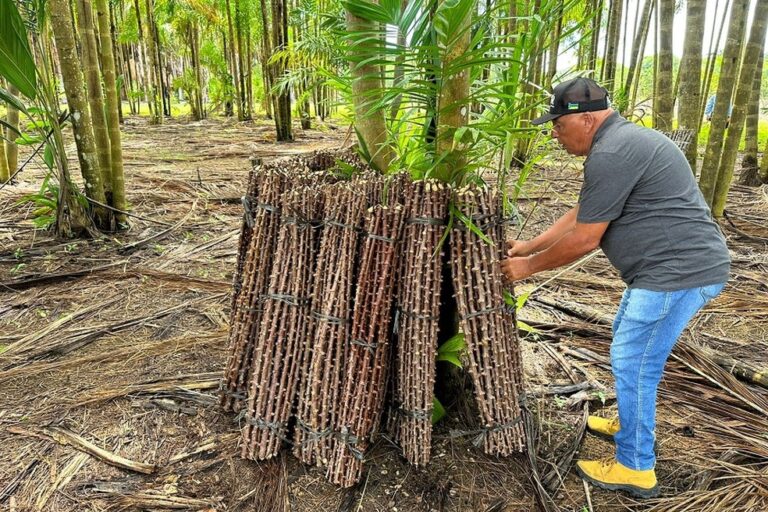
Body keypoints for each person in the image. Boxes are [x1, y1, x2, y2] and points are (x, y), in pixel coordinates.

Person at [500, 77, 730, 499]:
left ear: (586, 120)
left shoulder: (614, 151)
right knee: (628, 348)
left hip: (677, 273)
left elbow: (586, 237)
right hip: (663, 272)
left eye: (558, 125)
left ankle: (635, 466)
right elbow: (583, 210)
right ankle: (630, 421)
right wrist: (529, 245)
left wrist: (526, 268)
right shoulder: (620, 144)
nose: (554, 133)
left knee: (634, 363)